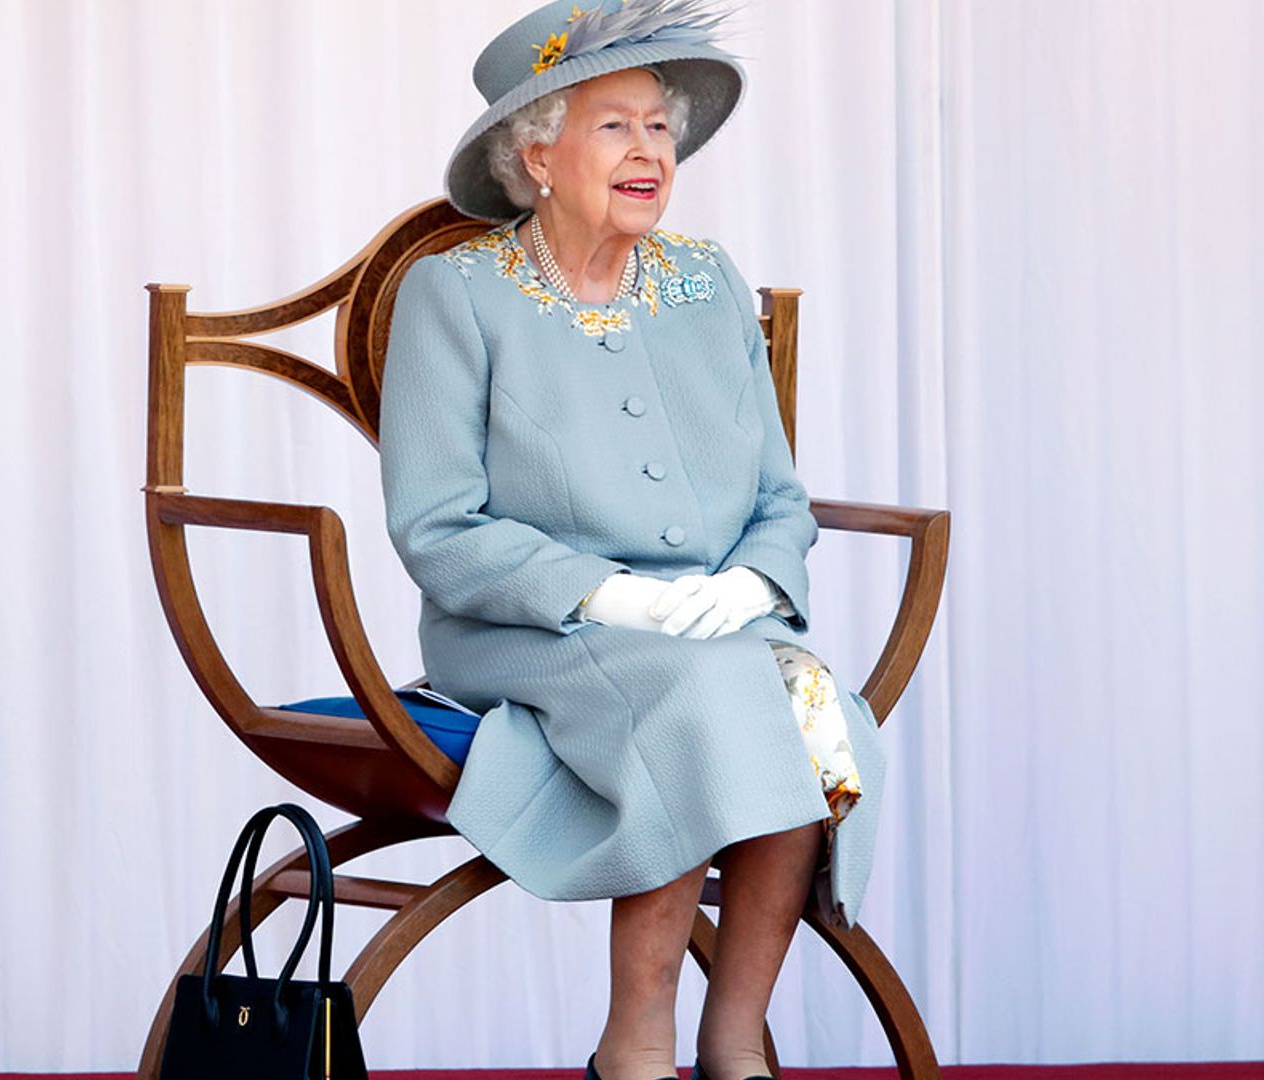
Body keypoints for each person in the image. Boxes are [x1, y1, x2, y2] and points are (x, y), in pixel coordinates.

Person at [377, 3, 887, 1079]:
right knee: (704, 699)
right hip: (522, 628)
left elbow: (779, 496)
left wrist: (754, 582)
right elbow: (436, 526)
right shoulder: (454, 294)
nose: (652, 149)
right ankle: (635, 1043)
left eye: (660, 127)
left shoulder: (706, 282)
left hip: (710, 625)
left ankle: (735, 1038)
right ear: (537, 154)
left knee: (809, 705)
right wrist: (610, 597)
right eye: (616, 127)